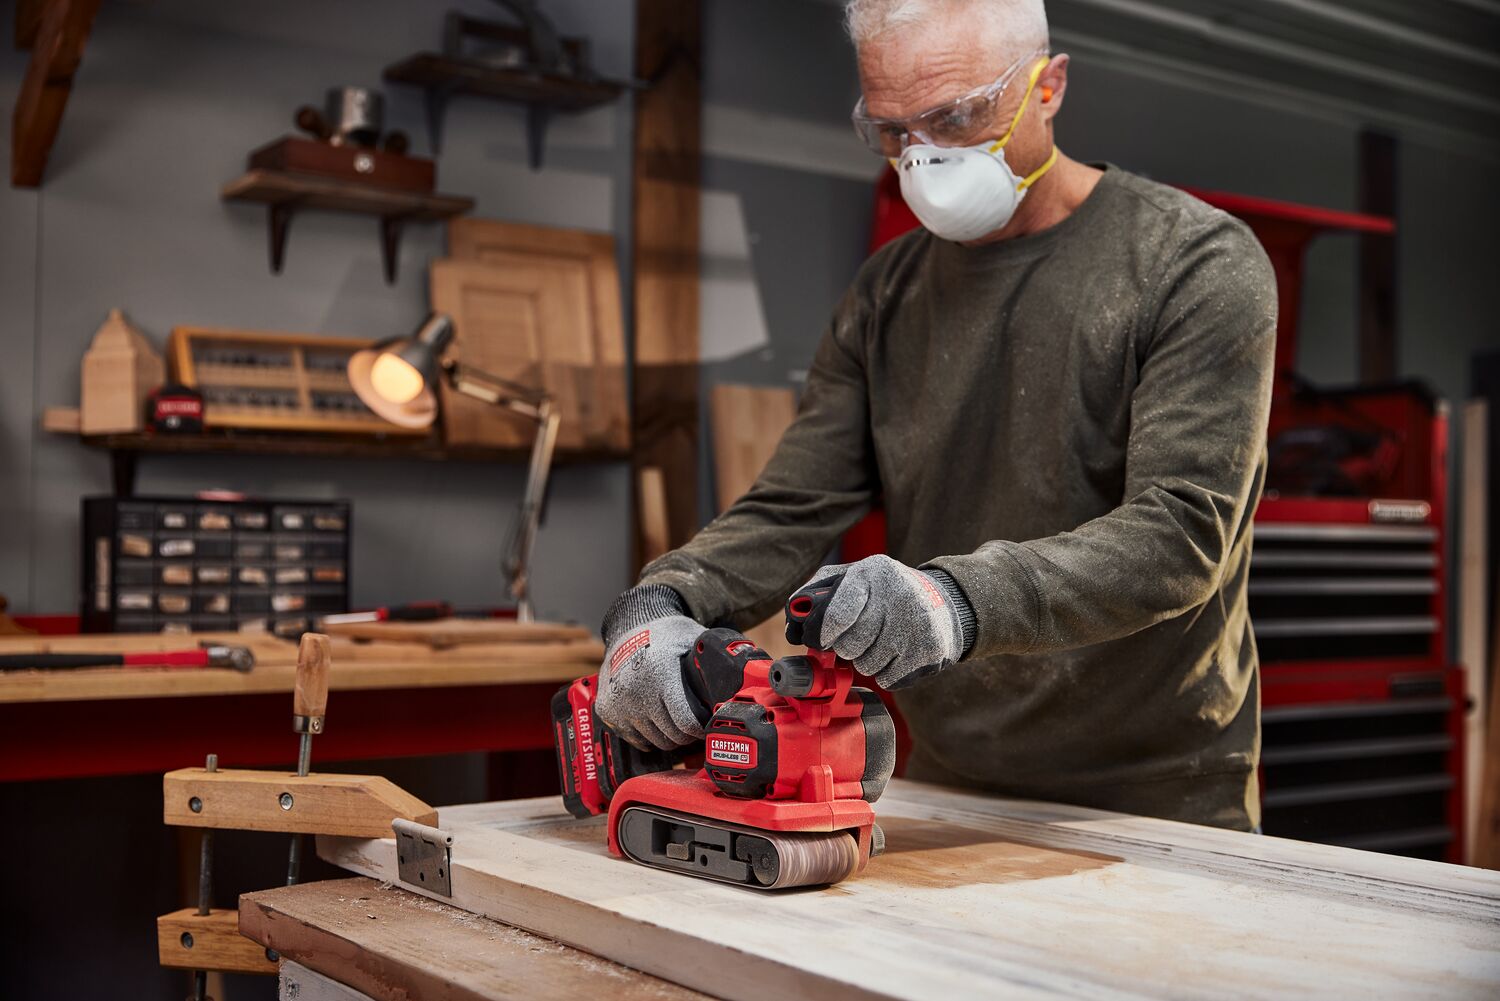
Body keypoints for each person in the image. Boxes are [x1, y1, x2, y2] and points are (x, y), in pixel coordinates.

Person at [595, 0, 1276, 831]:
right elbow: (791, 506)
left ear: (1048, 87)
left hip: (1157, 792)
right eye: (895, 131)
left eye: (955, 116)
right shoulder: (887, 292)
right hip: (949, 782)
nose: (925, 156)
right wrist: (661, 603)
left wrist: (952, 601)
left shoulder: (1195, 262)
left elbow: (1179, 533)